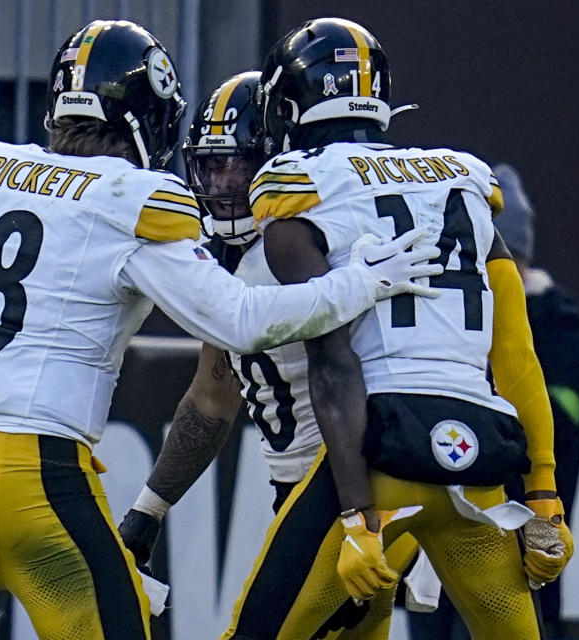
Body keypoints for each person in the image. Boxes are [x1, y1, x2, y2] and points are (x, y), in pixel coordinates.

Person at [0, 20, 440, 639]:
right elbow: (240, 321)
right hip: (39, 489)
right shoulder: (133, 199)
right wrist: (359, 282)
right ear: (147, 118)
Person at [172, 18, 572, 640]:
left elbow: (335, 367)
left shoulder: (293, 187)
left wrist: (359, 519)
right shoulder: (462, 179)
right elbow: (517, 353)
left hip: (378, 452)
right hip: (478, 455)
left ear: (285, 104)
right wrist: (544, 497)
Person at [118, 71, 429, 639]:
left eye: (239, 163)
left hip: (344, 487)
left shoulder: (301, 239)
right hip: (309, 493)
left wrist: (355, 516)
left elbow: (347, 370)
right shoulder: (230, 256)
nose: (222, 181)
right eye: (211, 164)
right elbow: (213, 396)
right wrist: (148, 509)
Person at [408, 163, 579, 640]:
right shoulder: (443, 313)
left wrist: (490, 423)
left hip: (520, 535)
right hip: (442, 533)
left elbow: (561, 415)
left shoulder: (556, 323)